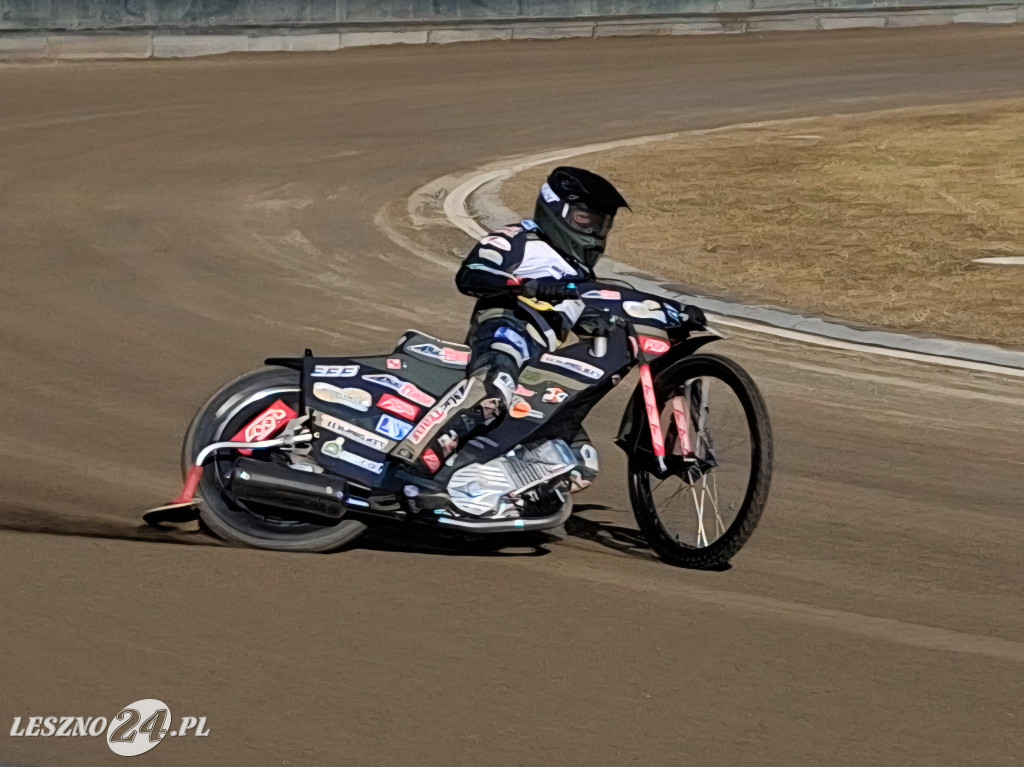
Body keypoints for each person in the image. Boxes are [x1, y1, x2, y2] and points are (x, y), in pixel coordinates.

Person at [400, 166, 629, 485]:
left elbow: (600, 336)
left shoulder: (581, 282)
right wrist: (526, 285)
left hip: (538, 372)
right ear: (557, 210)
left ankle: (482, 497)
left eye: (602, 222)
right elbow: (471, 276)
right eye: (586, 218)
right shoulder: (517, 239)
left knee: (578, 463)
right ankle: (411, 467)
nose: (595, 230)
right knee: (493, 395)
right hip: (503, 337)